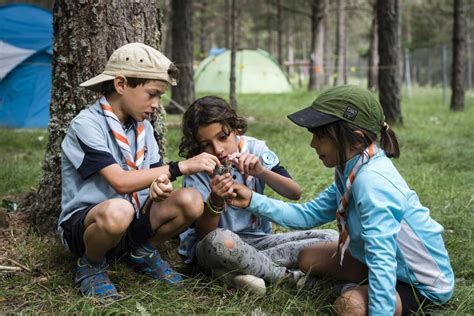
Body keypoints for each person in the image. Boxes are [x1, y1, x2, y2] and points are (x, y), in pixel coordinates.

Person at [226, 85, 454, 315]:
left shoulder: (372, 183)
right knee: (308, 258)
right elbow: (307, 215)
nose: (313, 143)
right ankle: (355, 287)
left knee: (348, 306)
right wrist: (252, 200)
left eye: (321, 135)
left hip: (419, 284)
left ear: (355, 138)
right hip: (384, 264)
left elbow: (382, 260)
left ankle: (357, 293)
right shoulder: (352, 168)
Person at [58, 43, 223, 299]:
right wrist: (181, 167)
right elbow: (121, 182)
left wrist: (160, 187)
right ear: (121, 84)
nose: (157, 104)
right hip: (91, 225)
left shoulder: (143, 129)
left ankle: (142, 251)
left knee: (191, 200)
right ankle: (90, 264)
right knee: (118, 209)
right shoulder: (86, 125)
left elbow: (156, 175)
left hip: (133, 219)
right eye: (152, 94)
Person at [177, 96, 338, 295]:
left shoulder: (255, 149)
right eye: (206, 144)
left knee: (330, 238)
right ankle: (288, 278)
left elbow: (294, 192)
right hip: (217, 245)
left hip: (259, 241)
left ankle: (236, 272)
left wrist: (261, 172)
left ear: (236, 129)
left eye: (222, 137)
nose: (217, 150)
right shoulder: (197, 167)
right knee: (222, 242)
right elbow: (203, 235)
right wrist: (216, 200)